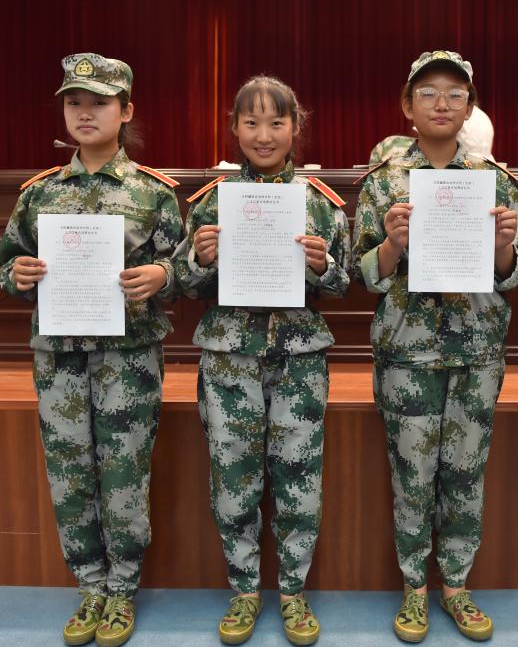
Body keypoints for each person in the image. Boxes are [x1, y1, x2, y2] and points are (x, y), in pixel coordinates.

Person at [0, 52, 183, 647]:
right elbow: (7, 264)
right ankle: (90, 586)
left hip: (128, 358)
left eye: (99, 102)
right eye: (74, 102)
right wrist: (18, 275)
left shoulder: (154, 193)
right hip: (60, 357)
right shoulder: (39, 193)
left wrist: (162, 275)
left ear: (125, 111)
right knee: (70, 474)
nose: (84, 112)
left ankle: (122, 589)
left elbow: (186, 267)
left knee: (124, 473)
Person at [351, 50, 518, 643]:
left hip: (476, 350)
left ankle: (455, 584)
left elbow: (515, 274)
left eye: (456, 94)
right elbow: (362, 272)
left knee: (465, 472)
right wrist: (393, 245)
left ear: (470, 107)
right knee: (412, 473)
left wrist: (503, 246)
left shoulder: (494, 181)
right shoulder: (383, 181)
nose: (442, 103)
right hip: (408, 351)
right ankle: (414, 587)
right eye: (428, 93)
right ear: (408, 105)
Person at [174, 75, 350, 646]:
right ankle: (245, 589)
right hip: (230, 358)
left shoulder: (320, 203)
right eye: (251, 122)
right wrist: (201, 259)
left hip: (299, 358)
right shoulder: (211, 201)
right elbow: (183, 283)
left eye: (277, 122)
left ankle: (293, 591)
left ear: (296, 128)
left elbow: (343, 284)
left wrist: (322, 265)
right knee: (233, 478)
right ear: (234, 128)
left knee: (300, 478)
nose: (264, 134)